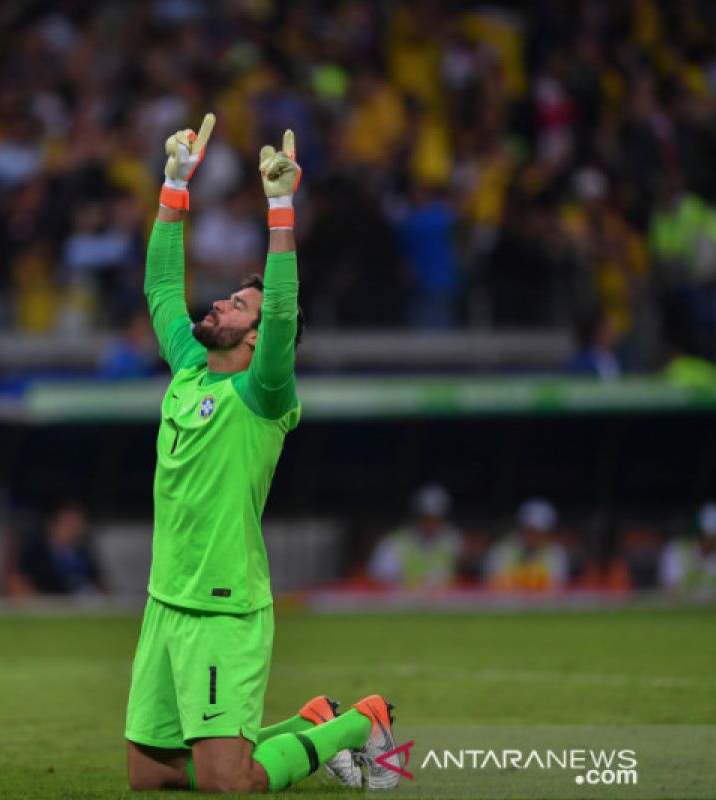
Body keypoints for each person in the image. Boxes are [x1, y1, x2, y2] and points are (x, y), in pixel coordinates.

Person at [125, 115, 399, 794]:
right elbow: (160, 290)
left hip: (225, 610)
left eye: (237, 306)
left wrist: (281, 208)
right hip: (167, 601)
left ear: (254, 340)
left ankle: (359, 724)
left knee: (229, 785)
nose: (218, 303)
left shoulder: (263, 395)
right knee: (151, 775)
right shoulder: (190, 368)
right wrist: (173, 187)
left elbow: (281, 311)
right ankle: (311, 720)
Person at [367, 483, 463, 589]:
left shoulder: (454, 539)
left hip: (445, 603)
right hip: (404, 602)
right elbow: (380, 582)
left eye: (437, 519)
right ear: (417, 516)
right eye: (427, 518)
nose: (432, 524)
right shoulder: (394, 543)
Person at [484, 498, 569, 590]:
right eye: (529, 530)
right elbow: (491, 584)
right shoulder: (500, 551)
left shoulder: (556, 554)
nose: (533, 535)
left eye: (539, 531)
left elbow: (558, 586)